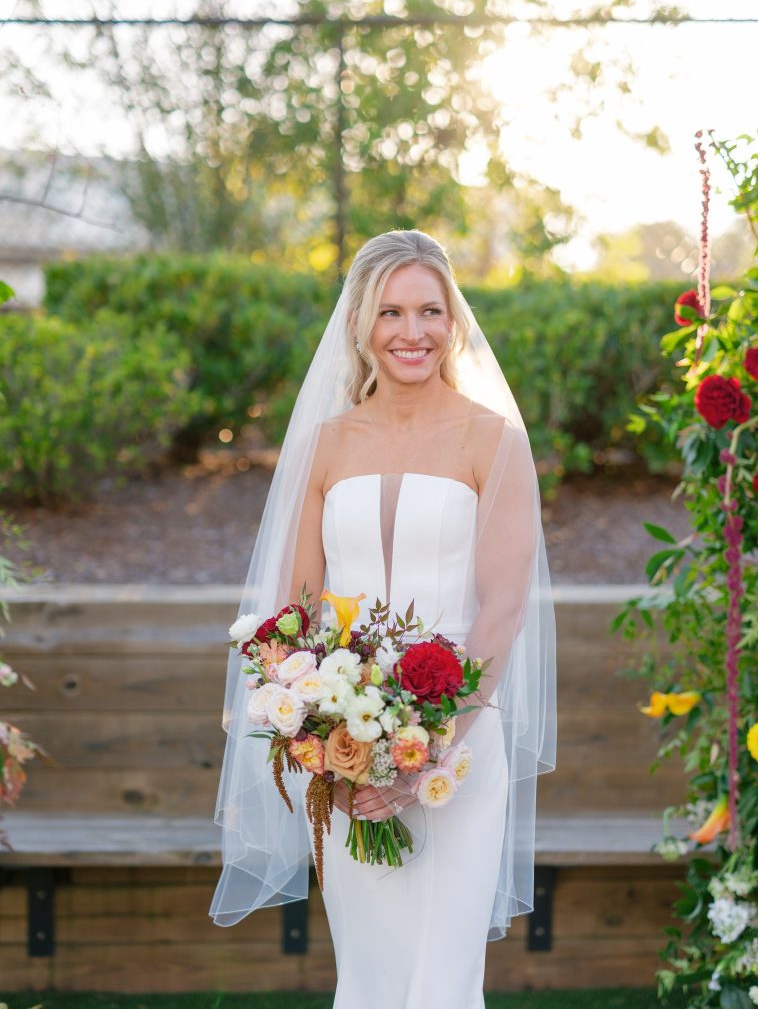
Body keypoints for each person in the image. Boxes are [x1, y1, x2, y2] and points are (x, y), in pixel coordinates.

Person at [209, 229, 557, 1009]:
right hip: (343, 757)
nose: (412, 332)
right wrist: (318, 729)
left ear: (454, 320)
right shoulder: (326, 446)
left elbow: (502, 607)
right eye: (391, 311)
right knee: (369, 977)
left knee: (441, 979)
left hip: (459, 750)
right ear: (361, 324)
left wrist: (429, 750)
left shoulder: (494, 441)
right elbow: (295, 612)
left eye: (430, 310)